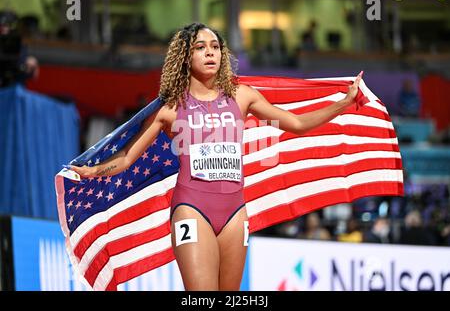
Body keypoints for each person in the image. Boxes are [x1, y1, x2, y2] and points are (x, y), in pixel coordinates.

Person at [68, 22, 363, 291]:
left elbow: (296, 124)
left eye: (215, 47)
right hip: (192, 209)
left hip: (235, 212)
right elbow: (127, 157)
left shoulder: (242, 96)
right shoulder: (170, 109)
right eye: (200, 48)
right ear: (186, 58)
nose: (210, 53)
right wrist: (93, 172)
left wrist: (344, 103)